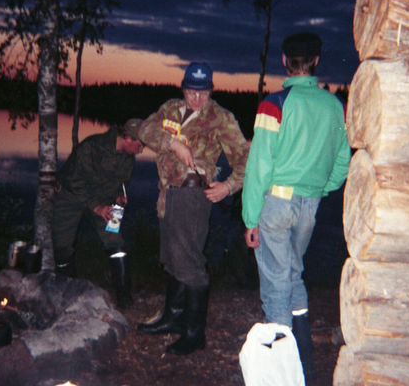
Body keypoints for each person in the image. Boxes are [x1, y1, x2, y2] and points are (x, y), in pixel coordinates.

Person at [241, 32, 350, 381]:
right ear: (316, 62)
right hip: (309, 205)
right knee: (292, 272)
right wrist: (320, 188)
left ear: (285, 62)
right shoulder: (335, 106)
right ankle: (307, 367)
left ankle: (283, 374)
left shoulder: (274, 103)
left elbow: (259, 165)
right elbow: (342, 161)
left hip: (276, 202)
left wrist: (249, 217)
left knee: (276, 286)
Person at [137, 62, 249, 355]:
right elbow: (144, 129)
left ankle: (194, 333)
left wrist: (228, 186)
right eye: (191, 91)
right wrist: (173, 144)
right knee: (173, 259)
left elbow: (246, 157)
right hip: (168, 195)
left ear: (211, 89)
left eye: (203, 92)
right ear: (183, 87)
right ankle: (173, 318)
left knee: (190, 263)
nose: (197, 99)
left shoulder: (221, 118)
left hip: (193, 197)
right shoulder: (170, 109)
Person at [52, 118, 144, 309]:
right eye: (140, 144)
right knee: (62, 247)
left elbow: (123, 182)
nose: (141, 149)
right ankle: (69, 297)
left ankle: (124, 298)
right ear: (128, 138)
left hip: (103, 200)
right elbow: (75, 181)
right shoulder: (92, 147)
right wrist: (96, 207)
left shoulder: (129, 157)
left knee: (116, 241)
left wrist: (120, 195)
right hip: (70, 195)